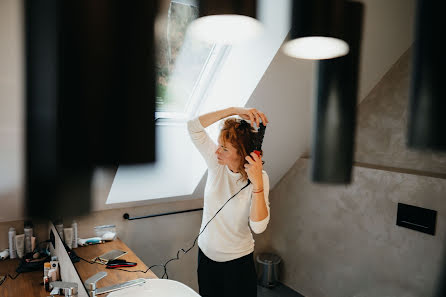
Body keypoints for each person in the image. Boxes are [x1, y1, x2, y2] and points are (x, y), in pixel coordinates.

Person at [187, 107, 270, 297]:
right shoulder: (217, 163)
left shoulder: (259, 178)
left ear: (242, 154)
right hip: (206, 257)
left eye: (224, 148)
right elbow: (193, 127)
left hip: (237, 264)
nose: (217, 150)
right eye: (219, 144)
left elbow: (258, 227)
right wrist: (234, 111)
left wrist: (257, 184)